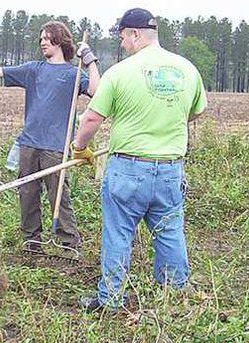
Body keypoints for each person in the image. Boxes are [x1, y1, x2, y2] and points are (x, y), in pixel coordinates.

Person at [72, 8, 207, 312]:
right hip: (171, 171)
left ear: (135, 34)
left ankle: (111, 301)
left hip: (128, 171)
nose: (121, 44)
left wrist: (80, 148)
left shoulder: (120, 73)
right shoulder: (187, 69)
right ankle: (173, 299)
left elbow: (92, 117)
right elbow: (197, 111)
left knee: (118, 233)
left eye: (122, 37)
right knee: (170, 232)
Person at [0, 21, 100, 250]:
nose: (42, 42)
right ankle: (31, 241)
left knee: (59, 195)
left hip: (57, 146)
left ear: (60, 40)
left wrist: (90, 60)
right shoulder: (33, 69)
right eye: (41, 38)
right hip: (29, 144)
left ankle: (69, 243)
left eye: (47, 38)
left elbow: (95, 90)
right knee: (27, 192)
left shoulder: (74, 75)